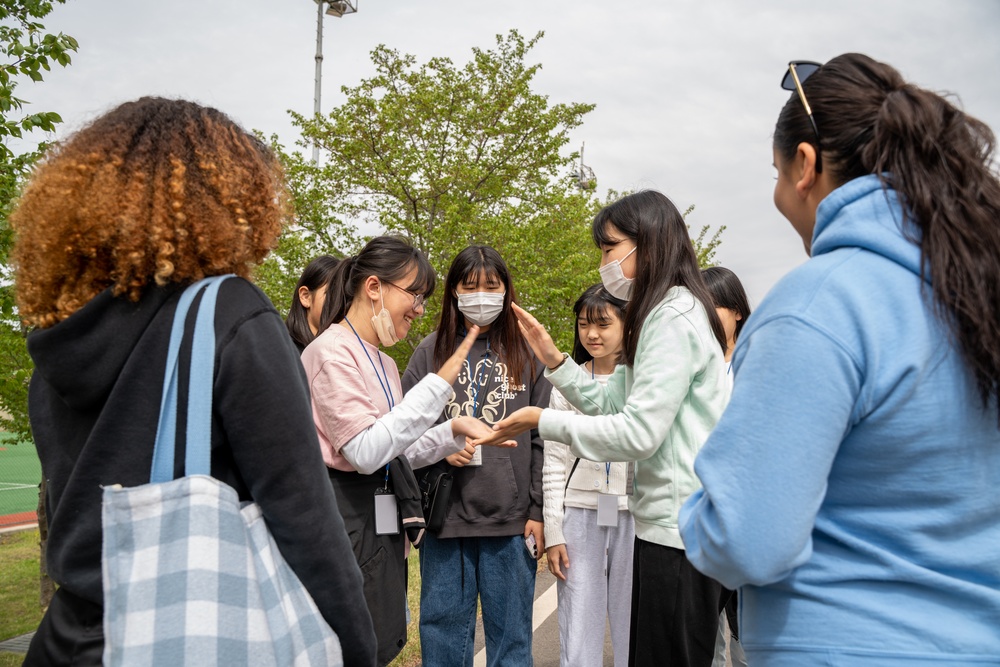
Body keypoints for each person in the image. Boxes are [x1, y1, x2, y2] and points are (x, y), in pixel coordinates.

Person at [12, 97, 377, 666]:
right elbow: (304, 515)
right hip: (190, 633)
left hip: (69, 638)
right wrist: (357, 647)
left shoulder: (58, 335)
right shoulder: (225, 313)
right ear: (227, 205)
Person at [679, 53, 1000, 665]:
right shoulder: (976, 295)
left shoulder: (821, 303)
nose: (779, 193)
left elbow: (746, 541)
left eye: (775, 173)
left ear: (805, 165)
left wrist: (699, 509)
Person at [475, 191, 731, 667]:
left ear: (647, 246)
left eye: (610, 249)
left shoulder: (669, 319)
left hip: (677, 530)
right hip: (676, 526)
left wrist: (544, 420)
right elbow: (617, 399)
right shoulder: (669, 310)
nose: (604, 263)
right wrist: (555, 360)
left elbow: (636, 433)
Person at [300, 236, 514, 667]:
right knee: (350, 643)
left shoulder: (382, 360)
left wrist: (453, 428)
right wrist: (439, 386)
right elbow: (363, 450)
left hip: (379, 519)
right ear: (374, 287)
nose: (418, 309)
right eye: (414, 295)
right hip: (345, 514)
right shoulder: (329, 353)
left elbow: (398, 450)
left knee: (379, 638)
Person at [400, 245, 551, 666]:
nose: (481, 295)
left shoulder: (527, 351)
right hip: (445, 521)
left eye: (491, 285)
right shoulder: (429, 352)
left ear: (506, 291)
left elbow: (544, 439)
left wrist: (538, 512)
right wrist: (442, 451)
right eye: (470, 286)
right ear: (453, 293)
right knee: (443, 636)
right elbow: (403, 431)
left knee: (511, 640)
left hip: (511, 522)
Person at [542, 284, 634, 667]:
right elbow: (553, 461)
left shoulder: (642, 380)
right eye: (583, 325)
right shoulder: (566, 382)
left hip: (634, 514)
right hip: (579, 513)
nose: (591, 334)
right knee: (578, 620)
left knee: (634, 619)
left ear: (628, 326)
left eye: (602, 324)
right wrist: (554, 531)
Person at [700, 266, 751, 667]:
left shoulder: (761, 356)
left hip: (748, 508)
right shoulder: (694, 362)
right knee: (707, 619)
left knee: (748, 618)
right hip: (702, 502)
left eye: (713, 304)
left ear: (736, 310)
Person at [286, 254, 341, 352]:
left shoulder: (343, 352)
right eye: (332, 294)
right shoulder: (284, 349)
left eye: (345, 298)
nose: (340, 304)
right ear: (305, 296)